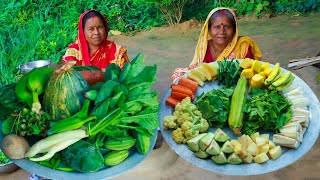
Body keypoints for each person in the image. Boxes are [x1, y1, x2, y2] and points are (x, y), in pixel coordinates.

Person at [172, 7, 262, 82]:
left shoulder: (243, 46)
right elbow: (197, 70)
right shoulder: (204, 47)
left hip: (236, 86)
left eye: (227, 27)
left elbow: (251, 74)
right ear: (209, 30)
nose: (222, 31)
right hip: (209, 88)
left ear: (235, 30)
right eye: (217, 27)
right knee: (178, 76)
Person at [62, 10, 129, 71]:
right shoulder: (74, 51)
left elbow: (125, 77)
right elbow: (68, 74)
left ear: (105, 28)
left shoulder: (118, 52)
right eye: (91, 29)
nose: (96, 32)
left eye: (100, 27)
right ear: (82, 31)